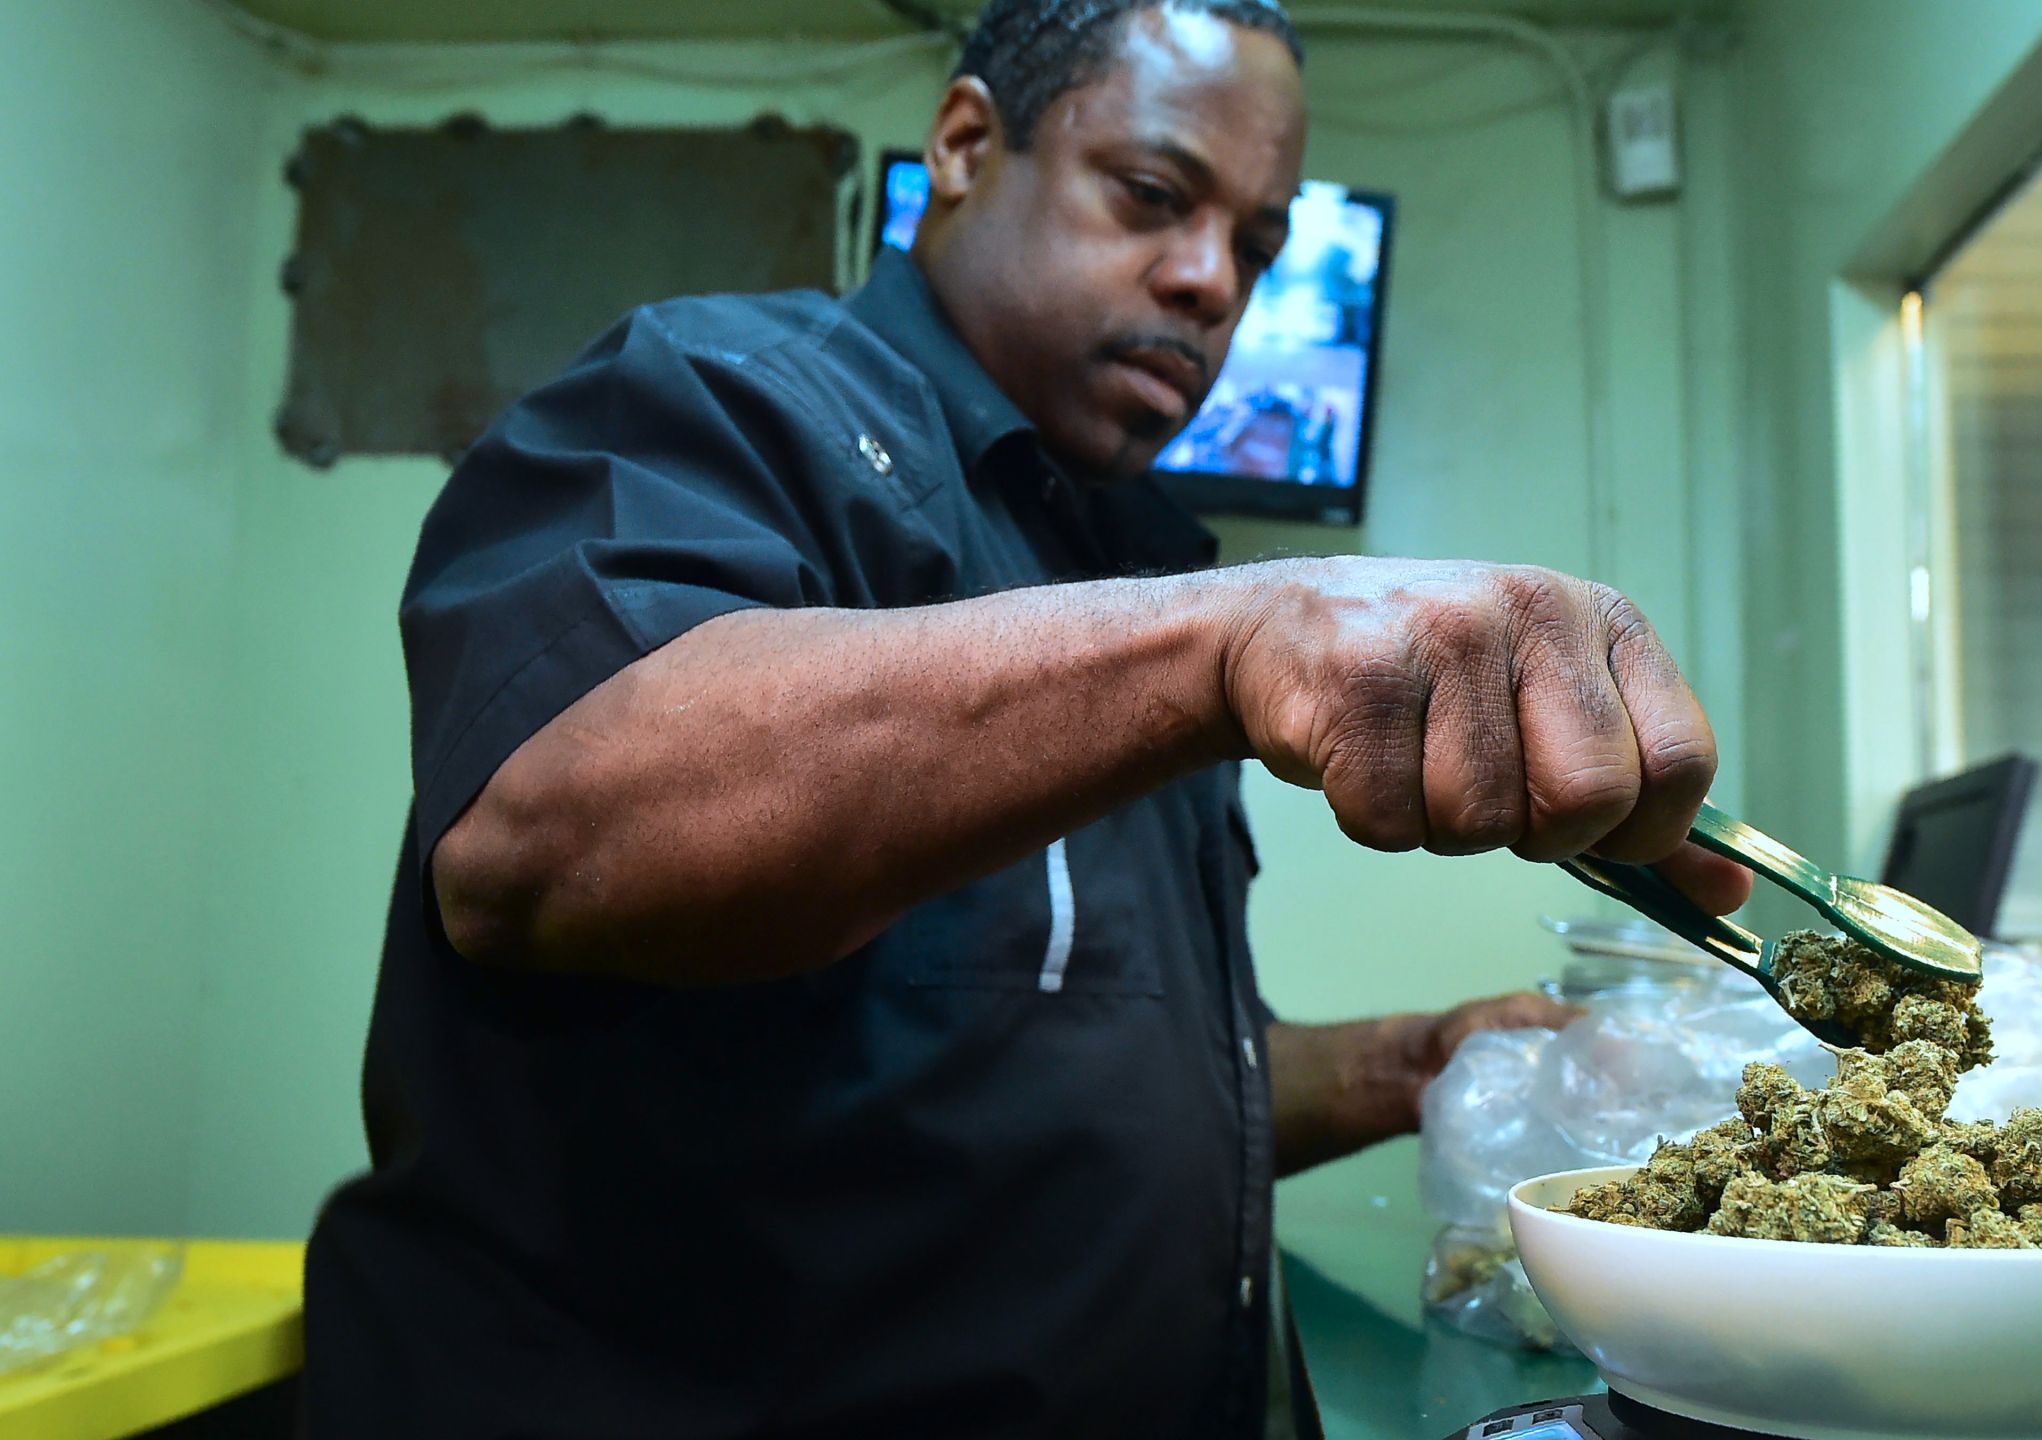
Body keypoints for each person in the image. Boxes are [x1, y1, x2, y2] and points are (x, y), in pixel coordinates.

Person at [300, 1, 1750, 1435]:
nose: (1209, 284)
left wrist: (1424, 1061)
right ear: (966, 143)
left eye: (1256, 245)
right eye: (1152, 195)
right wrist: (1242, 634)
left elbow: (1064, 1064)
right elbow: (554, 830)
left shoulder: (1128, 560)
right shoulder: (720, 398)